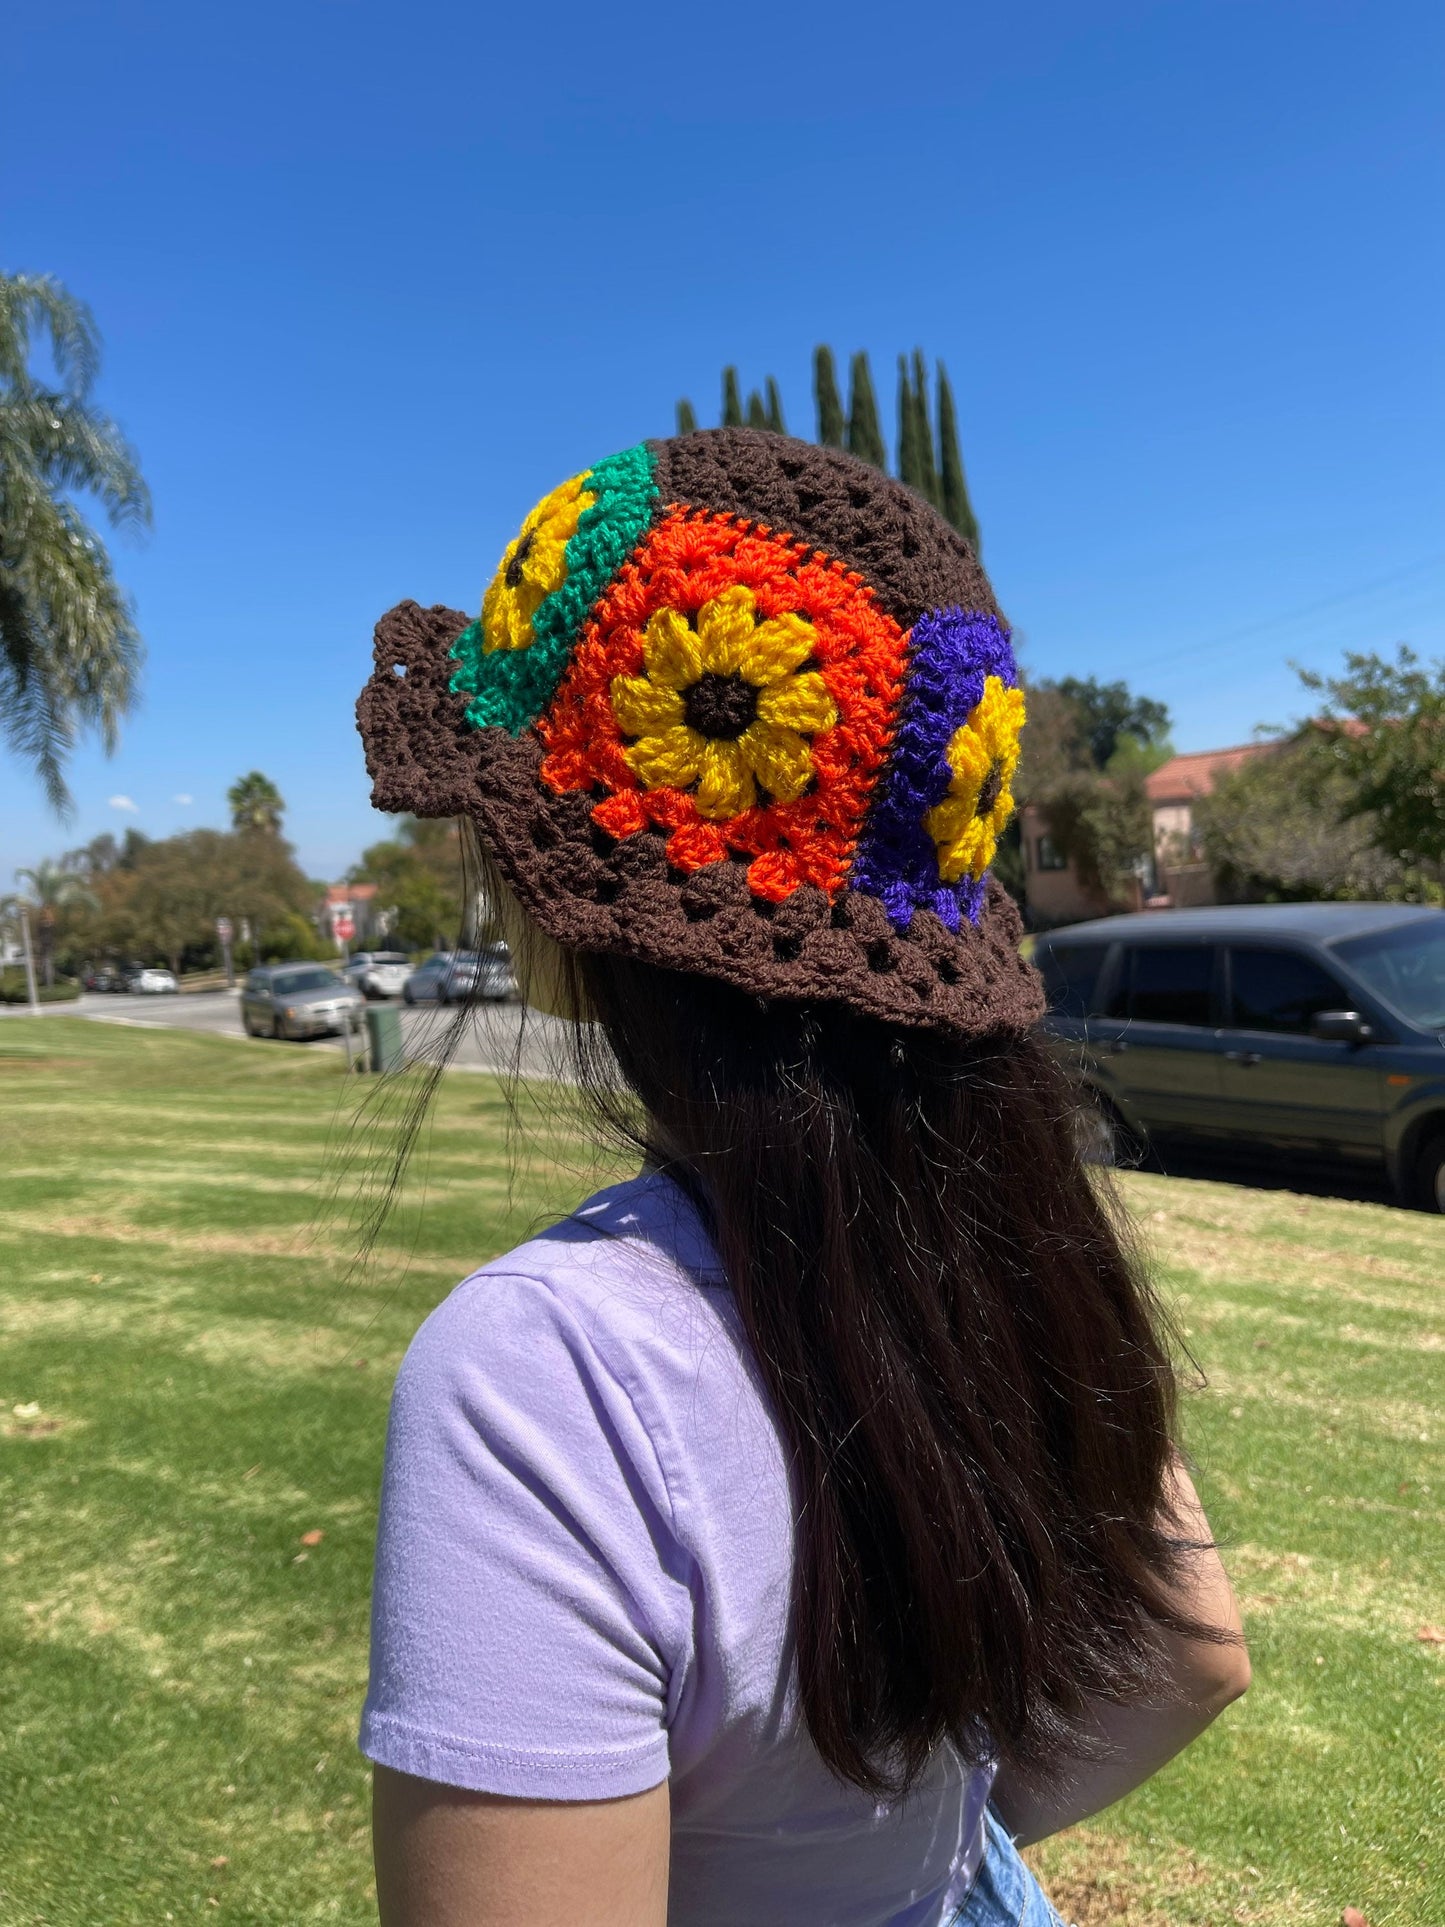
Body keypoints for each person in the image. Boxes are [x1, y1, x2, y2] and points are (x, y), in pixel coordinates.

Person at [354, 428, 1249, 1927]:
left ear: (577, 883)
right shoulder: (1015, 1240)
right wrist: (918, 1869)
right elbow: (1190, 1655)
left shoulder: (542, 1371)